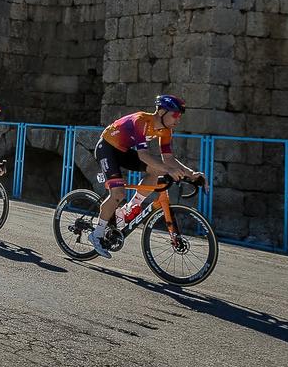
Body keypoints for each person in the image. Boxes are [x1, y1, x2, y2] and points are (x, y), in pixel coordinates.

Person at [88, 95, 206, 258]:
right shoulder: (141, 121)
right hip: (107, 148)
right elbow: (143, 155)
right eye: (175, 115)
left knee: (156, 170)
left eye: (179, 116)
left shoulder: (166, 130)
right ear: (162, 111)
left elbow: (169, 159)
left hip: (123, 151)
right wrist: (168, 170)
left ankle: (129, 208)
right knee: (118, 193)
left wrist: (192, 174)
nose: (177, 120)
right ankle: (97, 234)